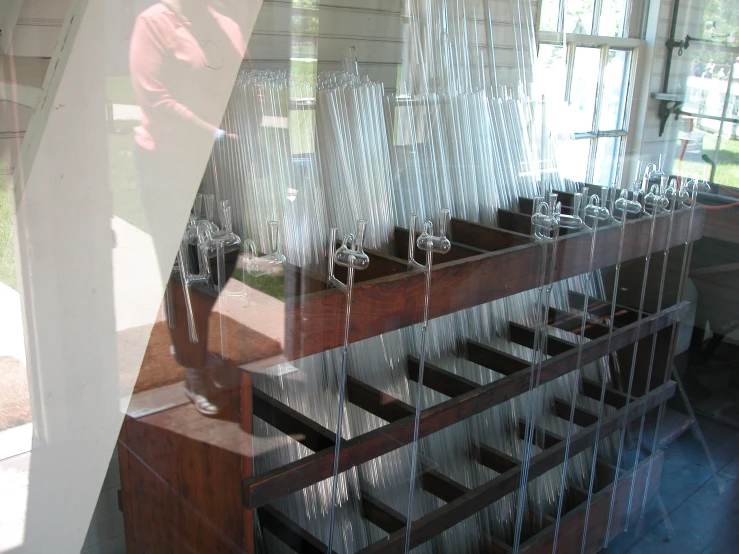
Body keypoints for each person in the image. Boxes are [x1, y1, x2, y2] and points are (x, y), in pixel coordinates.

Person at [129, 0, 245, 416]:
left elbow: (240, 82)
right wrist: (212, 133)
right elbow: (153, 98)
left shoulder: (226, 24)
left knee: (224, 257)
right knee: (185, 267)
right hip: (168, 161)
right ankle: (192, 366)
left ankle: (198, 347)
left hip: (218, 162)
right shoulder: (155, 23)